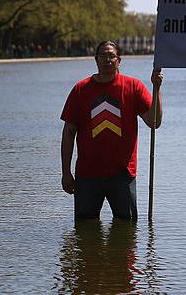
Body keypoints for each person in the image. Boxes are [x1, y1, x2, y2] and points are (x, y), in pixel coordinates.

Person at [61, 41, 163, 221]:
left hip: (123, 174)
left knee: (126, 230)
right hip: (88, 175)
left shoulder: (133, 87)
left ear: (119, 60)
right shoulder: (80, 90)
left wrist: (157, 88)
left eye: (111, 56)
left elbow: (154, 122)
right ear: (96, 60)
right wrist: (66, 172)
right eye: (103, 56)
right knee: (85, 228)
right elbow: (69, 133)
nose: (107, 60)